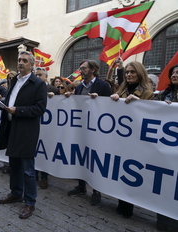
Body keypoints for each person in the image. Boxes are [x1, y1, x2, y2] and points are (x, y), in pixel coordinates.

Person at [0, 51, 47, 219]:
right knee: (14, 165)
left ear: (31, 64)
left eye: (25, 60)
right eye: (19, 60)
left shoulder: (38, 83)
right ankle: (16, 193)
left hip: (26, 131)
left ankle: (30, 202)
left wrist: (18, 110)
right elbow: (11, 102)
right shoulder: (14, 81)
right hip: (11, 128)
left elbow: (39, 109)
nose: (21, 63)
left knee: (28, 170)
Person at [65, 59, 112, 206]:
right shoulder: (79, 87)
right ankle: (81, 186)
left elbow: (110, 107)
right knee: (81, 156)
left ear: (93, 69)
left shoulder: (103, 86)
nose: (81, 70)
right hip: (81, 128)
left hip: (97, 129)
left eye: (84, 68)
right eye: (80, 68)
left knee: (94, 158)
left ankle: (96, 190)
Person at [110, 61, 153, 218]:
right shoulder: (121, 91)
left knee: (130, 173)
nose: (129, 74)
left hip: (136, 140)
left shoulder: (148, 93)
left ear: (140, 74)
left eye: (132, 72)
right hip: (121, 139)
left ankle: (128, 205)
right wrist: (113, 100)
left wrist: (139, 104)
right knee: (120, 171)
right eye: (127, 72)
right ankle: (121, 202)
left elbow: (150, 115)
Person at [154, 64, 178, 231]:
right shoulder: (164, 94)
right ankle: (165, 219)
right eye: (174, 72)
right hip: (166, 146)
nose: (175, 74)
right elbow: (151, 110)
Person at [34, 67, 59, 189]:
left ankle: (44, 177)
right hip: (34, 124)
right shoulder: (30, 87)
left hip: (49, 127)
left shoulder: (54, 89)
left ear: (46, 77)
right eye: (36, 75)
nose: (37, 77)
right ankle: (34, 175)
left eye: (40, 75)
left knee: (45, 151)